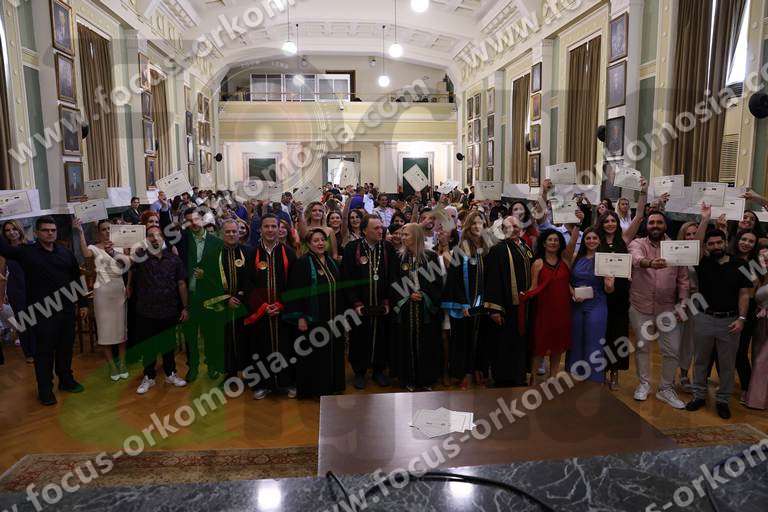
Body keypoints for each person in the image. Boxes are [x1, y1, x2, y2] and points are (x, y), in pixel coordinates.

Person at [0, 216, 89, 405]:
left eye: (53, 230)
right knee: (44, 353)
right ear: (37, 233)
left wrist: (83, 304)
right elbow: (4, 249)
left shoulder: (65, 253)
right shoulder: (27, 252)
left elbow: (76, 279)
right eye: (46, 230)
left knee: (65, 348)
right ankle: (45, 390)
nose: (50, 233)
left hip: (65, 309)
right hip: (41, 311)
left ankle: (66, 381)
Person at [686, 228, 752, 419]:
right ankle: (698, 396)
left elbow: (744, 294)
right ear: (706, 246)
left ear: (725, 242)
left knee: (727, 364)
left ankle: (723, 400)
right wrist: (705, 219)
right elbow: (695, 245)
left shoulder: (741, 264)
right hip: (704, 318)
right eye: (711, 243)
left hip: (730, 321)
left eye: (719, 242)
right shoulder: (702, 262)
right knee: (700, 361)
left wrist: (741, 319)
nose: (716, 246)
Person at [628, 211, 690, 409]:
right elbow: (635, 258)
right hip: (640, 306)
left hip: (668, 309)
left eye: (659, 222)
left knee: (672, 350)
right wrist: (650, 263)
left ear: (665, 225)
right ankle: (644, 384)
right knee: (642, 348)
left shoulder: (675, 248)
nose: (655, 225)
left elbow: (683, 279)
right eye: (651, 222)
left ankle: (666, 389)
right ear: (646, 226)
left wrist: (683, 304)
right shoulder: (638, 243)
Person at [593, 190, 646, 389]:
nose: (610, 224)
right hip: (600, 294)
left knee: (618, 334)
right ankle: (601, 371)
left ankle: (615, 372)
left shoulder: (623, 240)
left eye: (613, 221)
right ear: (601, 223)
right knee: (602, 334)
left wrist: (643, 192)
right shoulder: (595, 242)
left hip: (620, 296)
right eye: (606, 221)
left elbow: (639, 216)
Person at [128, 226, 189, 395]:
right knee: (148, 346)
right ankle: (149, 376)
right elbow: (127, 268)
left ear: (163, 238)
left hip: (169, 310)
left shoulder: (174, 259)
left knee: (168, 344)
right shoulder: (139, 258)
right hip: (146, 311)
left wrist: (185, 307)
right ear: (146, 239)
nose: (155, 238)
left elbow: (181, 284)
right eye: (150, 235)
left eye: (158, 235)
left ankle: (170, 374)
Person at [285, 229, 345, 397]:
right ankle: (316, 389)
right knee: (316, 355)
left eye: (322, 240)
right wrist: (300, 317)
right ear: (308, 244)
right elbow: (296, 292)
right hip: (313, 319)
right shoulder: (303, 263)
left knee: (332, 352)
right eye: (316, 240)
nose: (320, 243)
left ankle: (333, 385)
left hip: (333, 317)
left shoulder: (331, 261)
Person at [243, 214, 297, 399]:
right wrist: (263, 305)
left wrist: (281, 304)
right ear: (260, 229)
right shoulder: (251, 254)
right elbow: (248, 284)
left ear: (279, 228)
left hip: (283, 312)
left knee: (286, 347)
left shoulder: (289, 253)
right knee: (260, 348)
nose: (270, 230)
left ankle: (286, 382)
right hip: (261, 312)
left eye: (274, 226)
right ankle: (261, 385)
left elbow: (294, 283)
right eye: (266, 226)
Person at [341, 215, 397, 389]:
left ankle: (379, 370)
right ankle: (359, 372)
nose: (381, 231)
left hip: (382, 304)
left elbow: (393, 276)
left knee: (382, 337)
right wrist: (355, 302)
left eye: (381, 227)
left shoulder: (388, 248)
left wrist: (388, 301)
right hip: (360, 305)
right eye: (376, 228)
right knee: (359, 338)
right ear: (364, 230)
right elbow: (346, 278)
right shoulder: (352, 248)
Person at [73, 218, 129, 381]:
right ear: (99, 232)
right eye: (103, 229)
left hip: (118, 289)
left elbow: (128, 265)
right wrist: (80, 232)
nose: (107, 232)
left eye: (109, 229)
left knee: (121, 329)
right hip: (102, 292)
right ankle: (112, 366)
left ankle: (122, 364)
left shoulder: (120, 246)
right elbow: (85, 253)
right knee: (105, 331)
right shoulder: (94, 247)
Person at [390, 223, 443, 391]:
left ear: (416, 236)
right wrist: (408, 294)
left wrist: (424, 295)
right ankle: (408, 379)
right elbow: (394, 281)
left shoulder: (431, 257)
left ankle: (426, 379)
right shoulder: (398, 257)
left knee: (427, 344)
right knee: (406, 343)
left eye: (406, 234)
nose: (402, 237)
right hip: (406, 310)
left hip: (425, 310)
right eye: (402, 234)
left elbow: (437, 283)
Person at [483, 215, 533, 387]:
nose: (513, 230)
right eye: (508, 227)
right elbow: (492, 280)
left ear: (521, 228)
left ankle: (519, 376)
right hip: (505, 306)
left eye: (516, 226)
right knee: (504, 342)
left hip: (523, 306)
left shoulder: (525, 247)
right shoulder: (498, 249)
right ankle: (503, 378)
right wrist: (494, 309)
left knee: (520, 341)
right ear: (503, 230)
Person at [441, 211, 488, 389]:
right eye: (474, 223)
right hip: (465, 305)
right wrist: (463, 303)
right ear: (468, 226)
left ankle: (478, 370)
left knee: (481, 338)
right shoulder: (460, 250)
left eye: (480, 223)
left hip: (483, 304)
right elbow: (454, 280)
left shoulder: (489, 249)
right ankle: (464, 373)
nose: (477, 226)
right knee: (463, 339)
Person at [176, 208, 224, 382]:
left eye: (196, 219)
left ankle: (212, 365)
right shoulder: (182, 241)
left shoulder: (216, 242)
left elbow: (221, 273)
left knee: (211, 334)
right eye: (189, 220)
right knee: (190, 335)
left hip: (209, 296)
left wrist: (206, 276)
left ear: (202, 220)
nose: (193, 223)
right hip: (189, 296)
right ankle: (193, 367)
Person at [526, 226, 579, 384]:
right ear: (544, 243)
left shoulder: (565, 262)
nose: (553, 242)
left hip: (562, 309)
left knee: (558, 345)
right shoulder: (538, 263)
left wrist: (575, 292)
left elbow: (567, 283)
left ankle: (553, 377)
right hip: (544, 310)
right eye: (550, 240)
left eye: (556, 240)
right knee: (540, 346)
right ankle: (533, 378)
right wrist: (523, 297)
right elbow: (533, 287)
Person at [567, 228, 614, 383]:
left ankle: (594, 381)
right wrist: (572, 293)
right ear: (584, 240)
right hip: (576, 304)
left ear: (600, 240)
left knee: (594, 341)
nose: (591, 241)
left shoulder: (605, 259)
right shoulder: (576, 257)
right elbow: (565, 279)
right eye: (588, 238)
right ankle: (574, 378)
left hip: (597, 303)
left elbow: (609, 289)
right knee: (576, 340)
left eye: (595, 238)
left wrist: (609, 285)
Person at [207, 219, 249, 384]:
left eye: (234, 231)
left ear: (239, 233)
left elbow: (252, 279)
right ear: (221, 234)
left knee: (245, 339)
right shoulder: (213, 255)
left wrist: (240, 297)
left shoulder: (248, 252)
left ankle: (246, 372)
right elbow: (210, 282)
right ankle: (229, 372)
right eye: (228, 231)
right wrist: (226, 299)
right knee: (225, 340)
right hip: (222, 306)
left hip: (244, 305)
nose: (231, 234)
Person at [1, 220, 33, 363]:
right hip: (15, 289)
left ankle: (41, 349)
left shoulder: (30, 246)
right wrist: (1, 295)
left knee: (37, 317)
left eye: (13, 229)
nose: (11, 232)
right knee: (23, 321)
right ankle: (29, 353)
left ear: (19, 229)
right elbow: (2, 275)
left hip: (32, 286)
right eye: (7, 230)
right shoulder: (5, 252)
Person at [745, 243, 768, 409]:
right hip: (760, 322)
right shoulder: (757, 275)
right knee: (756, 357)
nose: (764, 260)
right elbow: (752, 296)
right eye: (762, 257)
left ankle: (757, 400)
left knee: (762, 361)